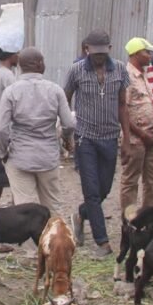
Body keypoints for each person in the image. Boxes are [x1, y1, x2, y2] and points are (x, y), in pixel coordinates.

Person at [64, 29, 131, 258]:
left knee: (104, 189)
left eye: (103, 53)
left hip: (110, 137)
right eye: (95, 53)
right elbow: (66, 97)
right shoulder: (77, 70)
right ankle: (102, 242)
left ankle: (81, 214)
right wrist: (67, 129)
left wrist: (127, 138)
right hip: (85, 138)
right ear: (87, 50)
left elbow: (123, 105)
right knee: (92, 191)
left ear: (109, 50)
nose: (99, 57)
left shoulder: (120, 69)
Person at [0, 48, 75, 217]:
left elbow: (1, 129)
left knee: (25, 212)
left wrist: (2, 152)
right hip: (48, 157)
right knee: (54, 207)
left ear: (21, 67)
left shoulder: (11, 92)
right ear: (40, 64)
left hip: (20, 157)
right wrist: (67, 140)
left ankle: (32, 244)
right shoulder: (55, 90)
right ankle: (56, 241)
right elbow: (68, 123)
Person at [119, 37, 153, 221]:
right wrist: (141, 133)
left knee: (152, 180)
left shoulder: (143, 74)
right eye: (147, 52)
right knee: (131, 181)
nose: (150, 55)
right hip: (136, 139)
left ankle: (148, 218)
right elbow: (122, 110)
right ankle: (130, 220)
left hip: (151, 138)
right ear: (136, 54)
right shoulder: (126, 76)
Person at [0, 46, 19, 206]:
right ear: (11, 55)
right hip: (7, 131)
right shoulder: (8, 77)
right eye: (17, 53)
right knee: (15, 175)